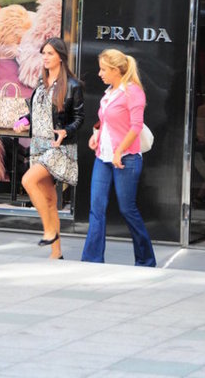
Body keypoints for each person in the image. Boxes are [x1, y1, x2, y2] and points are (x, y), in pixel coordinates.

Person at [81, 48, 156, 267]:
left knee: (127, 209)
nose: (99, 73)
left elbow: (136, 126)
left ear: (116, 70)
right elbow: (107, 120)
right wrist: (96, 134)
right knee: (96, 208)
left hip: (127, 158)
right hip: (102, 157)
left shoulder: (133, 92)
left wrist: (119, 150)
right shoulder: (110, 92)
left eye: (103, 69)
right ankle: (92, 260)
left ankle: (146, 260)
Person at [14, 37, 84, 259]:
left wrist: (66, 131)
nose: (45, 57)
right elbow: (37, 112)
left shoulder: (73, 86)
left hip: (58, 146)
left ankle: (49, 231)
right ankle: (57, 253)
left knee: (28, 181)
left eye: (50, 53)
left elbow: (79, 118)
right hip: (38, 145)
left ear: (60, 57)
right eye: (43, 53)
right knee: (50, 200)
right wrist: (24, 120)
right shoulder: (41, 83)